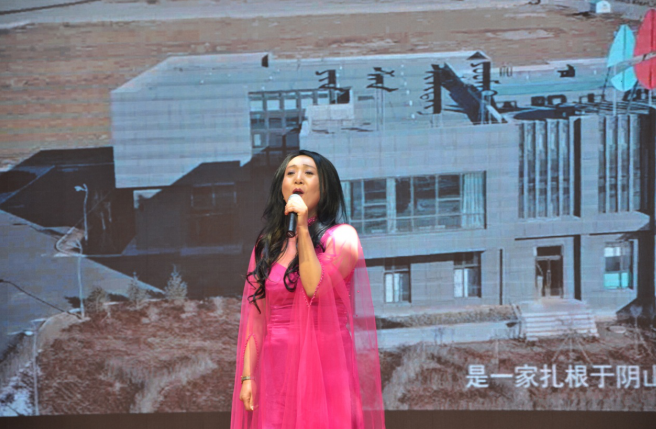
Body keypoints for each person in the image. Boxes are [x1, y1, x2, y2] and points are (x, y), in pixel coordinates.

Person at [231, 150, 386, 429]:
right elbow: (256, 318)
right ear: (281, 188)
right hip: (277, 370)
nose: (298, 178)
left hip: (327, 366)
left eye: (308, 172)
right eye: (290, 173)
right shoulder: (267, 245)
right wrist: (247, 376)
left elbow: (314, 287)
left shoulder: (342, 237)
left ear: (325, 187)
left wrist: (301, 227)